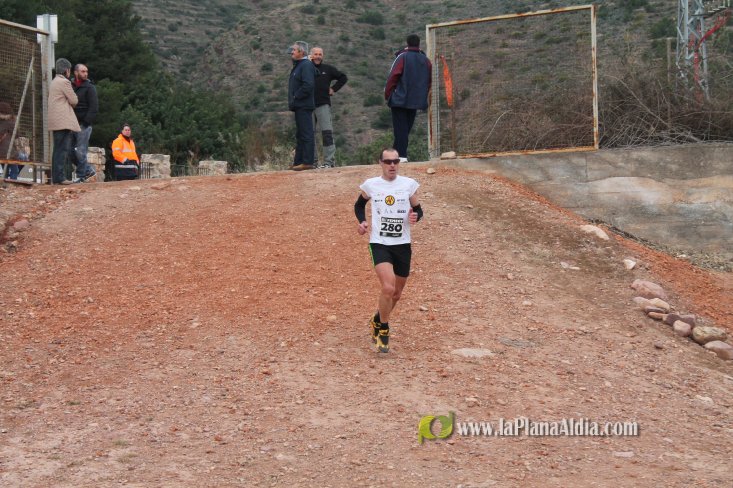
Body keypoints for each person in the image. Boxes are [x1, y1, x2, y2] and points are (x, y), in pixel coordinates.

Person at [354, 148, 423, 353]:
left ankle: (377, 318)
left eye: (395, 161)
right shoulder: (371, 185)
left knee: (397, 294)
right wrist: (362, 222)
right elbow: (359, 205)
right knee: (388, 288)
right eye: (388, 162)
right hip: (380, 243)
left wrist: (416, 216)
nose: (392, 165)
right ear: (381, 163)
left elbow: (418, 209)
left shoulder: (408, 184)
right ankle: (383, 329)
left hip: (402, 244)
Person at [384, 34, 432, 162]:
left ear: (407, 43)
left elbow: (393, 77)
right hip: (415, 101)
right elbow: (429, 81)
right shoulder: (426, 61)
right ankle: (395, 155)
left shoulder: (402, 57)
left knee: (400, 130)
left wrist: (388, 95)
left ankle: (401, 156)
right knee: (405, 130)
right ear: (419, 44)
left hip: (399, 100)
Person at [309, 46, 347, 168]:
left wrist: (334, 89)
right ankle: (312, 162)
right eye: (315, 54)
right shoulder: (306, 68)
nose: (318, 56)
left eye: (320, 54)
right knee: (309, 134)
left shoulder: (328, 69)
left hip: (323, 104)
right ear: (311, 55)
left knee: (327, 133)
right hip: (307, 106)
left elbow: (343, 77)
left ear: (323, 56)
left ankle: (329, 162)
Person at [48, 58, 80, 185]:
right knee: (62, 149)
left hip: (55, 120)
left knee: (57, 149)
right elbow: (74, 100)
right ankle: (60, 177)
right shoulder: (64, 82)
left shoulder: (54, 81)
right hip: (63, 120)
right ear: (67, 70)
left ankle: (57, 177)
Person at [287, 40, 317, 171]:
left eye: (294, 50)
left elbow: (308, 85)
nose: (291, 52)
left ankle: (307, 161)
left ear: (302, 52)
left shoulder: (306, 65)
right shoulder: (299, 65)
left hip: (304, 105)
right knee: (300, 134)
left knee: (306, 133)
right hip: (299, 105)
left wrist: (296, 96)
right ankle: (298, 162)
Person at [71, 63, 98, 182]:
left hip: (83, 125)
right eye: (83, 71)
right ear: (76, 72)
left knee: (81, 151)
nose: (85, 74)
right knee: (69, 151)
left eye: (86, 71)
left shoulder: (90, 87)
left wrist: (86, 122)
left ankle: (81, 176)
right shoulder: (70, 86)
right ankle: (87, 170)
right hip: (71, 124)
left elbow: (94, 107)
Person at [0, 101, 21, 180]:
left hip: (1, 153)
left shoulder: (2, 123)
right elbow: (17, 135)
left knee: (5, 169)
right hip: (10, 152)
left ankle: (5, 182)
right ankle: (13, 182)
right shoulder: (11, 123)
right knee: (14, 169)